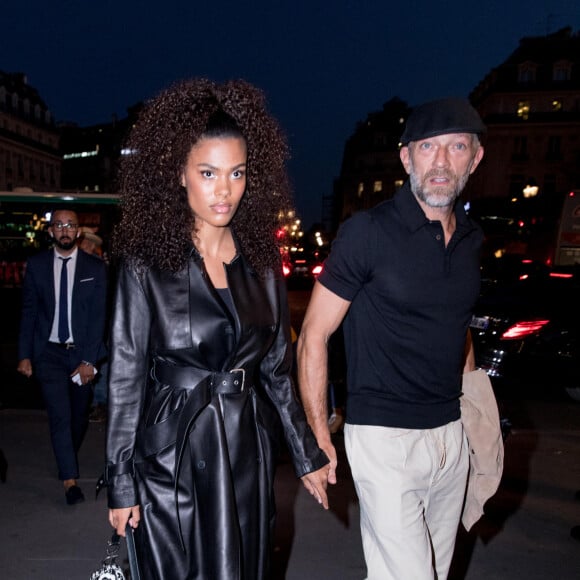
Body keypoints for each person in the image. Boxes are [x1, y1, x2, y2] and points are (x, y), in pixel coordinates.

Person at [104, 78, 330, 580]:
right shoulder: (145, 265)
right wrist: (121, 482)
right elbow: (124, 375)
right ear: (179, 174)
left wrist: (307, 453)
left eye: (236, 173)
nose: (224, 190)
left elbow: (276, 370)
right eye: (208, 173)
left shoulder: (264, 264)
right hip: (171, 452)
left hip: (244, 447)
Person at [297, 97, 486, 579]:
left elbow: (456, 326)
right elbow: (314, 334)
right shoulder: (367, 233)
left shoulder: (471, 240)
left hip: (450, 437)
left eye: (456, 146)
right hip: (384, 437)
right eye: (428, 148)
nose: (441, 162)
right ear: (406, 158)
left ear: (476, 157)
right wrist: (319, 435)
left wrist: (477, 413)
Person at [17, 209, 107, 504]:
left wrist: (90, 361)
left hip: (82, 354)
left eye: (70, 225)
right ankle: (70, 481)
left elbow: (98, 319)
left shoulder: (95, 268)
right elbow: (29, 312)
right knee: (59, 416)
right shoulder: (37, 265)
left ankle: (66, 452)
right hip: (50, 354)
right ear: (51, 231)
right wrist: (25, 355)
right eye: (59, 225)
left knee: (78, 416)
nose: (65, 230)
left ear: (79, 232)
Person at [78, 228, 109, 423]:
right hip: (82, 326)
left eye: (91, 244)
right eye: (85, 242)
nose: (88, 246)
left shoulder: (98, 267)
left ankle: (99, 403)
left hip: (101, 325)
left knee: (101, 365)